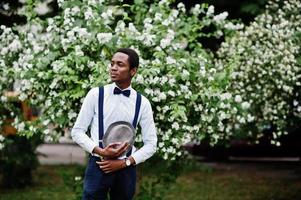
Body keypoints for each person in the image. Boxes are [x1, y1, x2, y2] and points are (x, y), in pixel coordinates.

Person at [71, 48, 157, 200]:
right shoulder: (96, 95)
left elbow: (151, 144)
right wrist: (100, 151)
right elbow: (77, 131)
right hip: (99, 164)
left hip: (126, 170)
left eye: (120, 64)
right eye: (112, 64)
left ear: (133, 71)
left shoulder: (142, 103)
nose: (113, 68)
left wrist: (126, 163)